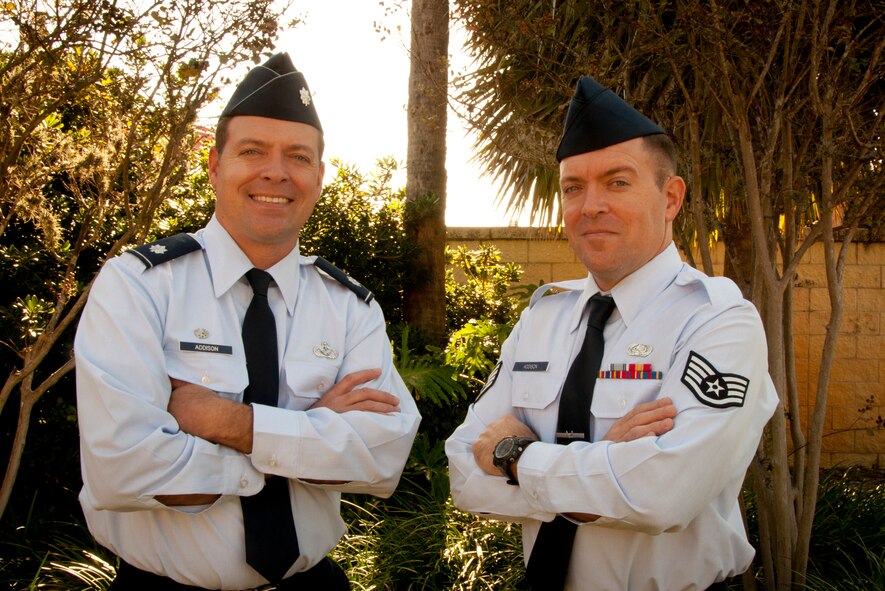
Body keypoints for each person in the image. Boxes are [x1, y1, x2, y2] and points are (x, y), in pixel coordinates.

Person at [75, 53, 421, 590]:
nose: (276, 172)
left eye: (298, 156)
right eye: (253, 150)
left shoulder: (350, 307)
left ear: (319, 175)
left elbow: (381, 459)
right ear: (215, 165)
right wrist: (307, 440)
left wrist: (222, 422)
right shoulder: (138, 286)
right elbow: (123, 468)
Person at [445, 76, 778, 591]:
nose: (590, 205)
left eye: (616, 182)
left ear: (670, 198)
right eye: (573, 187)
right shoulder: (544, 317)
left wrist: (515, 457)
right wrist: (609, 463)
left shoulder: (718, 321)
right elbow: (464, 473)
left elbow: (662, 495)